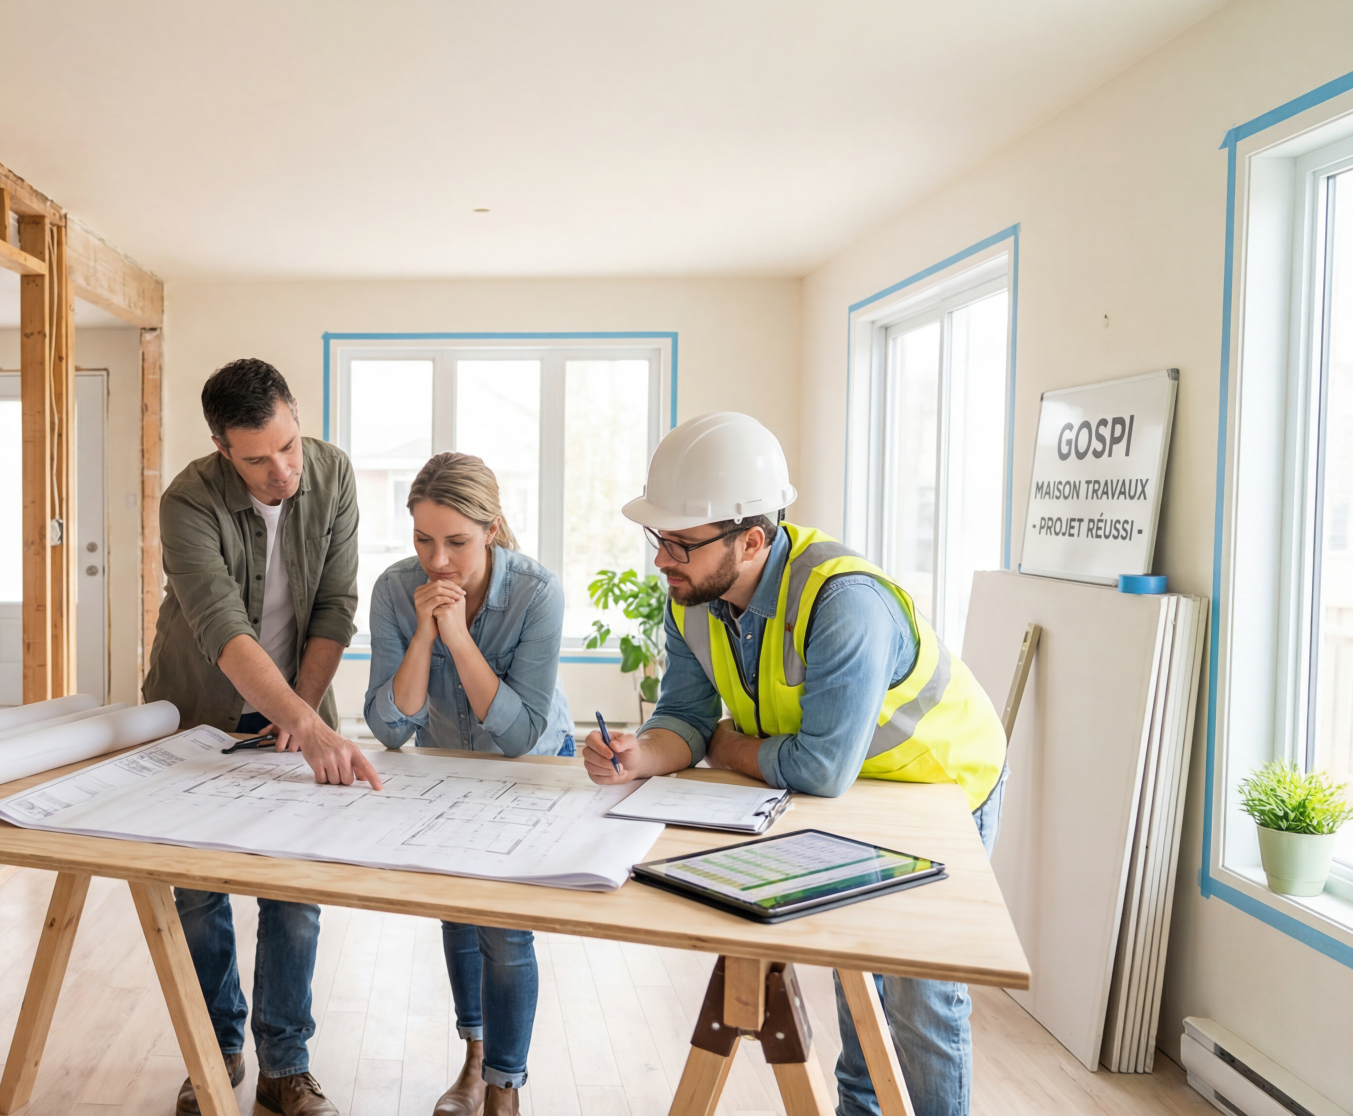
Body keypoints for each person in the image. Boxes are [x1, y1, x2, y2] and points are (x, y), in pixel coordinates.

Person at [580, 411, 1007, 1116]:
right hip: (853, 793)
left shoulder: (845, 603)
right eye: (659, 538)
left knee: (919, 993)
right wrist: (638, 757)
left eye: (680, 542)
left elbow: (820, 768)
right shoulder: (692, 598)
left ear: (751, 539)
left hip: (941, 783)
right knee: (854, 963)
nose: (661, 560)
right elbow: (684, 719)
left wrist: (724, 746)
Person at [143, 357, 381, 1116]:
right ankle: (215, 1053)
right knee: (198, 891)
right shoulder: (186, 501)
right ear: (222, 449)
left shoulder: (333, 475)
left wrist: (300, 713)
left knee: (294, 891)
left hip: (299, 709)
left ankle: (286, 1068)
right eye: (257, 459)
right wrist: (304, 724)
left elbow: (335, 607)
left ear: (297, 417)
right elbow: (221, 626)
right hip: (198, 712)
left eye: (288, 445)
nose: (282, 470)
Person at [362, 452, 573, 1116]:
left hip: (533, 768)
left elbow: (519, 736)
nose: (438, 560)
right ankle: (477, 1060)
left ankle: (505, 1089)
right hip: (450, 767)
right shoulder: (396, 590)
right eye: (423, 540)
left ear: (491, 529)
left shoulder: (537, 593)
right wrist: (423, 637)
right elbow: (389, 729)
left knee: (504, 929)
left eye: (456, 541)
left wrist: (458, 638)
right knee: (457, 912)